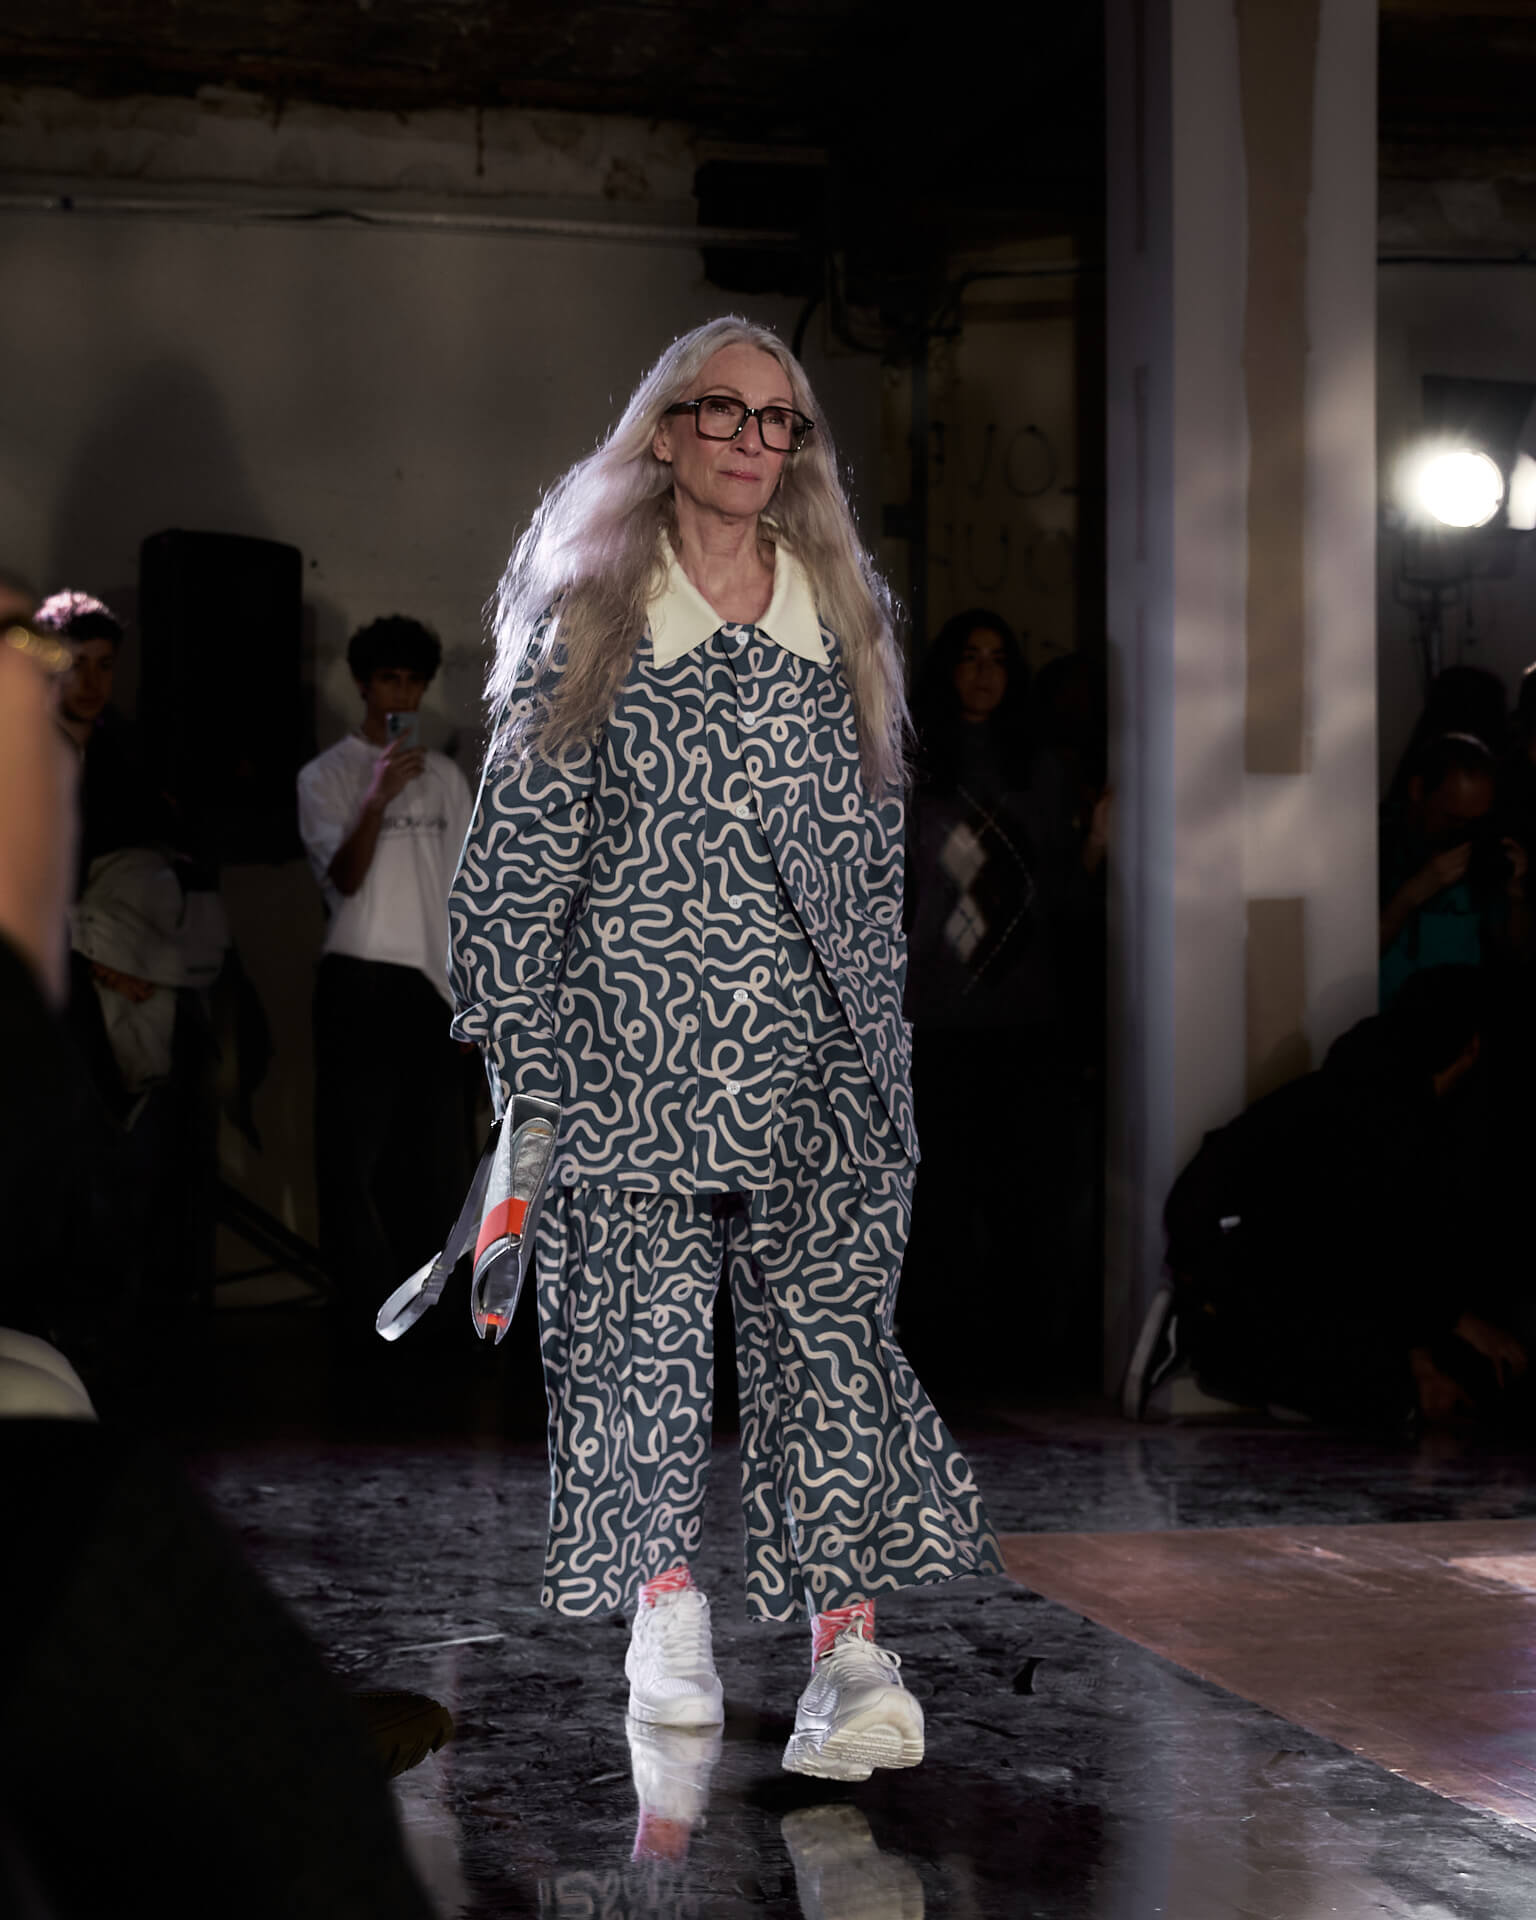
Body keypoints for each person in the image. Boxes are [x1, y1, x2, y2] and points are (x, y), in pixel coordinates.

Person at [447, 316, 1001, 1785]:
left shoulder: (842, 617)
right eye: (726, 413)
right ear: (666, 430)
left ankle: (847, 1651)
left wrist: (883, 1047)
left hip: (818, 1054)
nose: (756, 442)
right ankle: (667, 1612)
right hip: (631, 1044)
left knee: (833, 1348)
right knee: (633, 1343)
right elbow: (516, 861)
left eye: (781, 422)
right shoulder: (593, 615)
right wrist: (523, 1076)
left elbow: (868, 860)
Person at [0, 623, 440, 1919]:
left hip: (138, 1029)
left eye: (95, 665)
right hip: (103, 1019)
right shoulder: (327, 778)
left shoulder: (133, 769)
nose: (84, 685)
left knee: (69, 1351)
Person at [1159, 966, 1528, 1430]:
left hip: (1230, 1240)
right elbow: (1367, 1244)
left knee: (1391, 1375)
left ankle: (1226, 1344)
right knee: (1384, 1397)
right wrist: (1452, 1328)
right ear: (1472, 1048)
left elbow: (1384, 1246)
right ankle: (1205, 1340)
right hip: (1230, 1249)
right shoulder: (1388, 1116)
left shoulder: (1373, 1090)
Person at [901, 614, 1106, 1385]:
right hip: (933, 1012)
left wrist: (1095, 845)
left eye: (997, 658)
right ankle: (939, 1356)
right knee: (939, 1192)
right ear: (946, 669)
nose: (984, 672)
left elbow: (1065, 896)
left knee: (1024, 1190)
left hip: (1025, 1013)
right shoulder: (909, 760)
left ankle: (1020, 1360)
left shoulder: (1040, 767)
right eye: (968, 657)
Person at [297, 616, 474, 1332]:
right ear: (364, 685)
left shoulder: (446, 777)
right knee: (355, 1162)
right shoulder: (325, 775)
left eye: (412, 681)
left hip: (434, 989)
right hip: (361, 979)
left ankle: (437, 1317)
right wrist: (376, 796)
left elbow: (468, 890)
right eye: (389, 680)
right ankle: (364, 1319)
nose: (401, 693)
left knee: (437, 1162)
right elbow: (342, 878)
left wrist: (474, 996)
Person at [1379, 731, 1530, 1005]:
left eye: (1475, 821)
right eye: (1452, 819)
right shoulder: (1374, 848)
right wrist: (1409, 896)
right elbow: (1348, 959)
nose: (1462, 831)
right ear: (1417, 790)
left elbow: (1515, 956)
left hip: (1462, 1020)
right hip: (1386, 1019)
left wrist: (1516, 896)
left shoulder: (1482, 849)